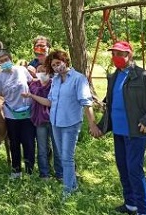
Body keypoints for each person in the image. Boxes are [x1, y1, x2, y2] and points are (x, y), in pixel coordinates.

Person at [95, 41, 146, 215]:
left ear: (129, 55)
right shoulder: (114, 76)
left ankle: (142, 210)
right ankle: (130, 204)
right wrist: (103, 126)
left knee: (134, 170)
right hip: (118, 131)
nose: (116, 57)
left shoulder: (142, 76)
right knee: (123, 167)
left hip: (135, 132)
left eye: (120, 54)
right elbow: (111, 104)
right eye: (114, 54)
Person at [26, 49, 99, 196]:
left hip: (71, 123)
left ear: (65, 61)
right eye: (53, 65)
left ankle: (68, 190)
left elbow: (86, 103)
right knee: (62, 156)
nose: (57, 67)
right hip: (55, 123)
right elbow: (50, 102)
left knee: (67, 157)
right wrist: (31, 96)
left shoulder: (78, 79)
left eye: (58, 63)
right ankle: (72, 187)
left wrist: (92, 124)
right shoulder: (56, 81)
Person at [0, 49, 35, 179]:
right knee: (14, 143)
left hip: (27, 113)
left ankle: (29, 171)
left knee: (28, 143)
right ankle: (16, 171)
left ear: (11, 59)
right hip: (11, 115)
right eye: (1, 61)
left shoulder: (22, 70)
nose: (4, 62)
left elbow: (33, 83)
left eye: (6, 59)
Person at [22, 64, 62, 180]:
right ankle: (44, 173)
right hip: (39, 120)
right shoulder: (33, 85)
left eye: (44, 70)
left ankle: (60, 173)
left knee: (57, 148)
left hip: (54, 120)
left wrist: (31, 96)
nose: (41, 72)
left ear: (49, 71)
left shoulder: (54, 84)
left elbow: (50, 102)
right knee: (42, 148)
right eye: (39, 71)